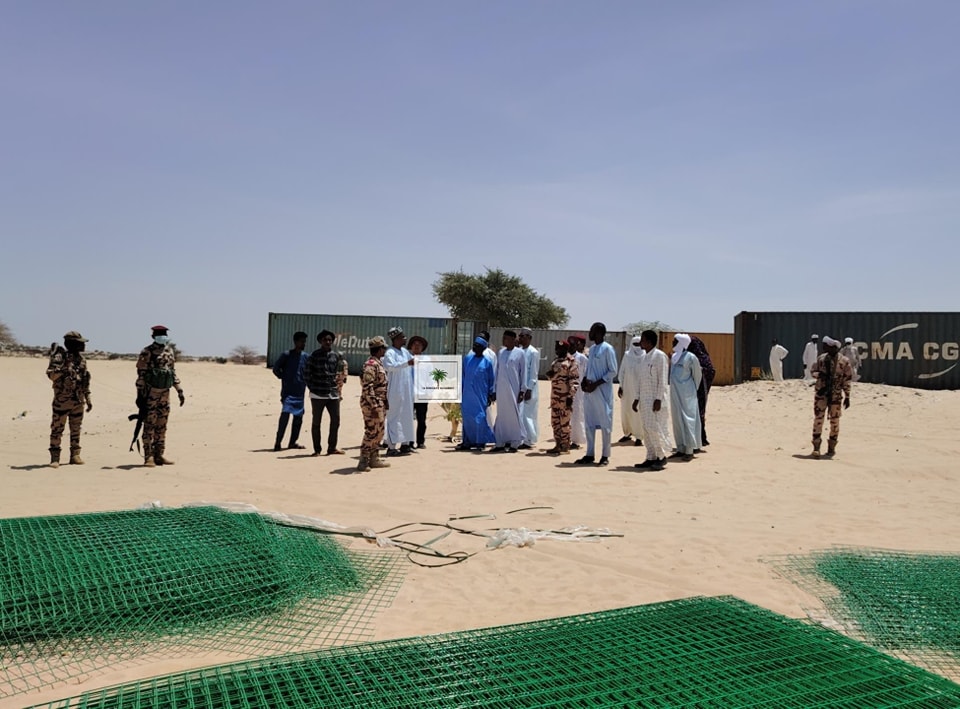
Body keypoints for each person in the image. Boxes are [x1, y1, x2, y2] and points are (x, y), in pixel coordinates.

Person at [136, 325, 185, 467]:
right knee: (149, 424)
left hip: (165, 393)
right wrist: (140, 395)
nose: (163, 336)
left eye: (164, 334)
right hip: (150, 393)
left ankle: (159, 455)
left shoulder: (169, 351)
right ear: (153, 336)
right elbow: (141, 374)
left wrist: (179, 390)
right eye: (160, 334)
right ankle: (148, 457)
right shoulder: (147, 351)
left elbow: (172, 372)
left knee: (162, 425)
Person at [46, 330, 92, 467]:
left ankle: (75, 455)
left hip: (78, 401)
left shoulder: (81, 360)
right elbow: (51, 376)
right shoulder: (59, 358)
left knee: (76, 429)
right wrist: (63, 368)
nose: (83, 346)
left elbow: (85, 381)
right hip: (62, 401)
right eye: (80, 343)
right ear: (72, 344)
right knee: (57, 429)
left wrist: (88, 398)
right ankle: (55, 458)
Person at [576, 322, 618, 466]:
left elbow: (613, 371)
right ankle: (589, 454)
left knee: (605, 425)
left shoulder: (608, 349)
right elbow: (589, 368)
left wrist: (596, 383)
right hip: (590, 393)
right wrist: (584, 381)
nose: (590, 333)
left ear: (599, 332)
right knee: (589, 423)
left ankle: (605, 456)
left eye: (592, 331)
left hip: (602, 393)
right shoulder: (592, 349)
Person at [631, 330, 671, 471]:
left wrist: (658, 398)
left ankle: (661, 456)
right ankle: (651, 457)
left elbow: (663, 379)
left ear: (649, 342)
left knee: (654, 429)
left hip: (655, 400)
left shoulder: (659, 356)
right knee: (646, 429)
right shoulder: (644, 358)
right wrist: (636, 398)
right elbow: (640, 380)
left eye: (643, 339)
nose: (640, 342)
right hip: (644, 400)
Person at [810, 336, 854, 458]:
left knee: (835, 421)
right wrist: (820, 375)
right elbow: (813, 371)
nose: (824, 347)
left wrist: (847, 396)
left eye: (826, 346)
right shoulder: (821, 359)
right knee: (818, 419)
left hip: (836, 395)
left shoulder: (844, 361)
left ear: (833, 347)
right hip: (821, 394)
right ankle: (816, 447)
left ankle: (831, 447)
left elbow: (847, 379)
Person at [303, 330, 345, 456]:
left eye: (329, 340)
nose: (327, 342)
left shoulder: (335, 356)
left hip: (333, 394)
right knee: (316, 422)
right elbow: (306, 374)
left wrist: (338, 389)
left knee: (336, 420)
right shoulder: (314, 356)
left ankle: (332, 448)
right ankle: (317, 450)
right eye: (325, 340)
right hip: (318, 394)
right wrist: (312, 388)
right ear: (320, 341)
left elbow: (339, 374)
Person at [357, 336, 390, 472]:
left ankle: (374, 458)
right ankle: (363, 460)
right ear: (379, 349)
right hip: (371, 404)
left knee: (379, 432)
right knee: (371, 431)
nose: (385, 351)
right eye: (383, 348)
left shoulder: (378, 363)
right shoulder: (371, 365)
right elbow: (367, 387)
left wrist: (384, 402)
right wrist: (375, 406)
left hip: (379, 402)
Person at [272, 331, 308, 451]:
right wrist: (284, 377)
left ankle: (292, 442)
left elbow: (309, 371)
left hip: (300, 392)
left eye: (304, 342)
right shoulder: (286, 355)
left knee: (298, 418)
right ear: (295, 342)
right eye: (301, 341)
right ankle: (278, 442)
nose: (303, 344)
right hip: (288, 392)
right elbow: (276, 369)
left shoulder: (306, 357)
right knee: (285, 415)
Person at [669, 333, 702, 461]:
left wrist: (691, 390)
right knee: (677, 420)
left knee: (688, 420)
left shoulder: (691, 357)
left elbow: (697, 376)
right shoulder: (674, 357)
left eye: (675, 341)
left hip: (687, 394)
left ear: (682, 343)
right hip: (675, 393)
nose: (672, 343)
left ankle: (689, 450)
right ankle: (680, 448)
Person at [492, 329, 526, 452]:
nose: (503, 340)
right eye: (503, 338)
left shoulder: (520, 353)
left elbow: (523, 373)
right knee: (501, 415)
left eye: (505, 338)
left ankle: (514, 443)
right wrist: (494, 389)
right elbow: (497, 371)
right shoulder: (501, 352)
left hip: (514, 389)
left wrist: (522, 390)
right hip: (501, 389)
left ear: (513, 339)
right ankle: (500, 442)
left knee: (513, 416)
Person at [383, 326, 415, 457]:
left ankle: (405, 444)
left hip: (407, 390)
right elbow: (389, 367)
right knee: (394, 417)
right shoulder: (389, 353)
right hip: (395, 390)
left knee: (407, 415)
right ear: (396, 339)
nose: (405, 339)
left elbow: (413, 361)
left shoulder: (405, 351)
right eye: (402, 337)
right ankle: (391, 447)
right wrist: (406, 363)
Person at [459, 336, 496, 450]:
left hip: (480, 394)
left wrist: (491, 393)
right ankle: (467, 442)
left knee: (480, 418)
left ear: (483, 348)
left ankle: (480, 442)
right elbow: (463, 375)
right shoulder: (467, 359)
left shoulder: (487, 362)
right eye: (474, 345)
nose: (475, 347)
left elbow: (491, 379)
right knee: (467, 417)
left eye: (478, 346)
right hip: (467, 394)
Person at [545, 339, 579, 455]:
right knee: (555, 422)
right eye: (556, 348)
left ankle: (565, 446)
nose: (556, 350)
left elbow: (574, 380)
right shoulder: (555, 361)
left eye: (559, 348)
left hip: (565, 397)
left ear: (565, 349)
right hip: (555, 397)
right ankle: (558, 444)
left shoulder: (571, 362)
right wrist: (550, 375)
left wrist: (570, 396)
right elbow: (553, 376)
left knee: (564, 422)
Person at [687, 336, 715, 447]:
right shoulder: (699, 357)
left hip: (700, 388)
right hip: (698, 388)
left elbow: (707, 372)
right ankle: (700, 438)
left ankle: (700, 439)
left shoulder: (699, 359)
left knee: (698, 411)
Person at [617, 336, 644, 445]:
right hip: (627, 388)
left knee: (637, 413)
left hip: (639, 389)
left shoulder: (645, 356)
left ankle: (639, 437)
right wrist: (620, 386)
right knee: (626, 411)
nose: (637, 347)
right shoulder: (627, 355)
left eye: (639, 344)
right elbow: (622, 370)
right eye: (635, 344)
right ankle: (627, 433)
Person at [518, 327, 540, 449]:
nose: (520, 338)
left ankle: (529, 439)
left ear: (529, 338)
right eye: (520, 336)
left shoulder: (533, 352)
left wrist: (529, 389)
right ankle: (523, 438)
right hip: (521, 387)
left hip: (530, 388)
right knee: (521, 414)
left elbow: (534, 373)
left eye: (523, 336)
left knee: (528, 414)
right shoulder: (520, 351)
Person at [407, 335, 430, 449]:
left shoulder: (427, 360)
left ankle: (420, 441)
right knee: (408, 420)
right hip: (409, 394)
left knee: (422, 420)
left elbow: (430, 377)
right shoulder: (406, 359)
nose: (416, 346)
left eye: (419, 345)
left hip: (422, 394)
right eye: (414, 344)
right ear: (411, 347)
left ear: (422, 347)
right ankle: (409, 442)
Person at [568, 334, 588, 449]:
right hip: (566, 390)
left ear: (577, 345)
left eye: (573, 344)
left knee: (577, 415)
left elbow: (586, 373)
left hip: (578, 391)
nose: (571, 346)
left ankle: (576, 441)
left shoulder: (582, 358)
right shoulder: (565, 357)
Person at [478, 330, 497, 431]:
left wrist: (493, 391)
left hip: (485, 388)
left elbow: (494, 372)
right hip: (473, 388)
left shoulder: (491, 354)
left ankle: (489, 432)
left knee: (487, 412)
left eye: (482, 337)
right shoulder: (472, 352)